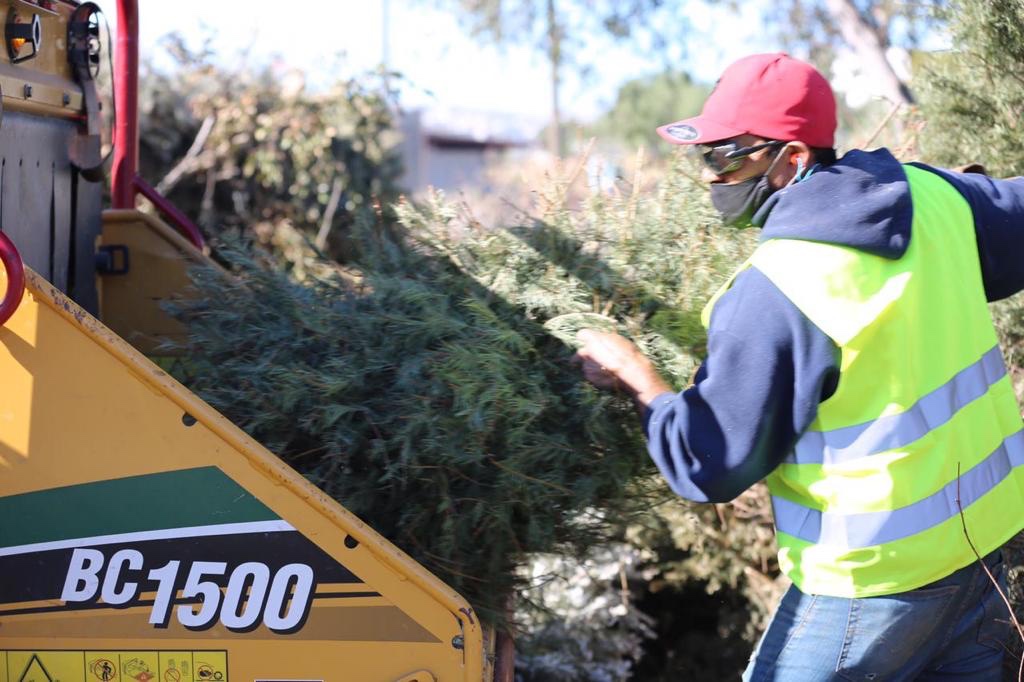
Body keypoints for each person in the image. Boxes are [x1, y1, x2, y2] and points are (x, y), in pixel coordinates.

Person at [574, 52, 1024, 681]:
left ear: (793, 160)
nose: (711, 178)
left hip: (871, 586)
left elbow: (707, 462)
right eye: (705, 157)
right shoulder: (933, 196)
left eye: (726, 157)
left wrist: (635, 377)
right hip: (985, 561)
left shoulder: (781, 289)